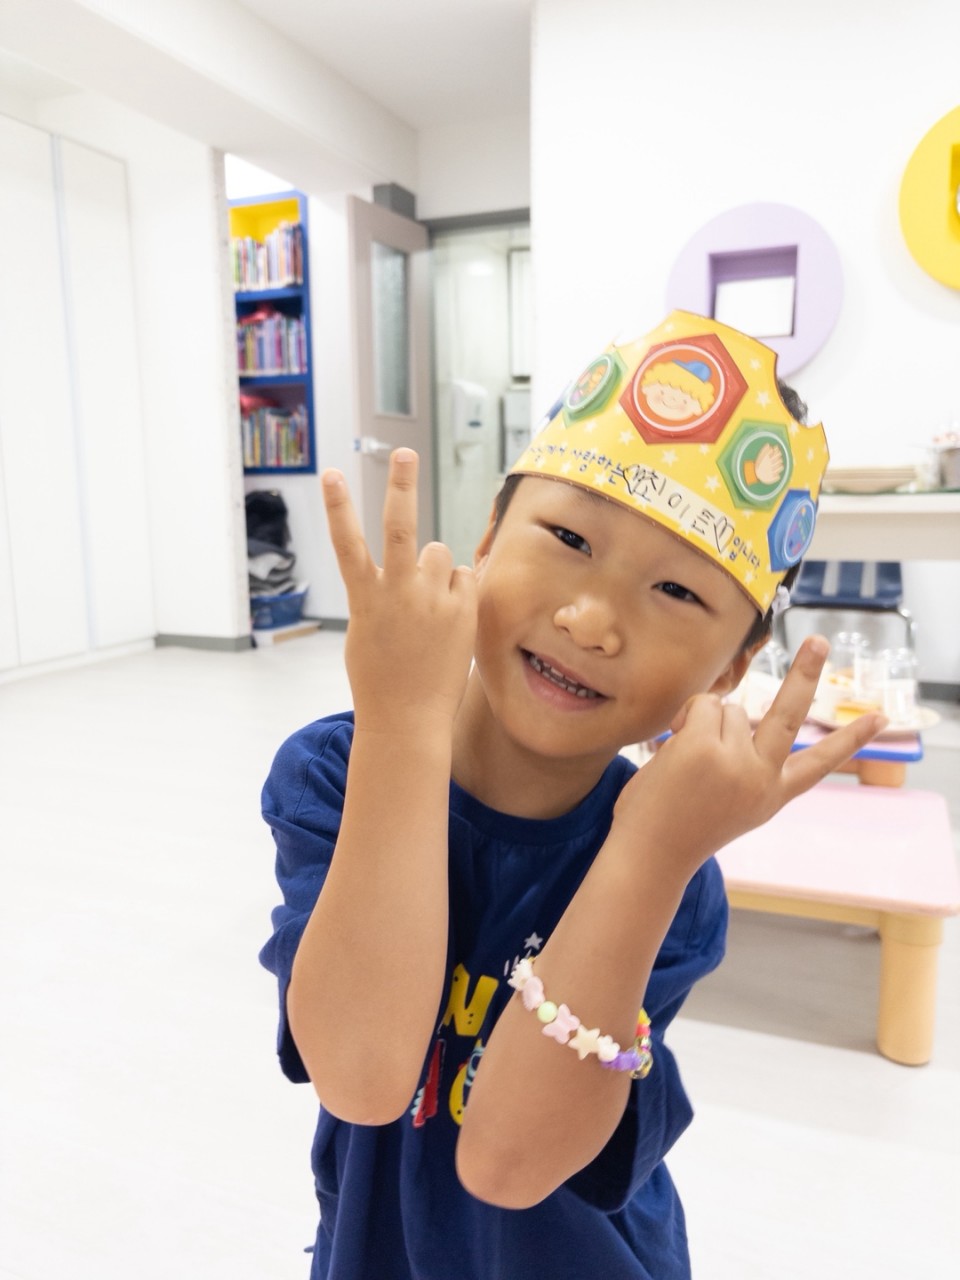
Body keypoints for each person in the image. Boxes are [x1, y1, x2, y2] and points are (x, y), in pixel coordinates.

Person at [259, 311, 885, 1279]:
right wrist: (400, 723)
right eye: (566, 536)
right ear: (487, 535)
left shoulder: (676, 870)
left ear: (729, 669)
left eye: (678, 592)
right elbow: (361, 1076)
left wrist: (651, 854)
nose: (591, 620)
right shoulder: (334, 773)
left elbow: (510, 1163)